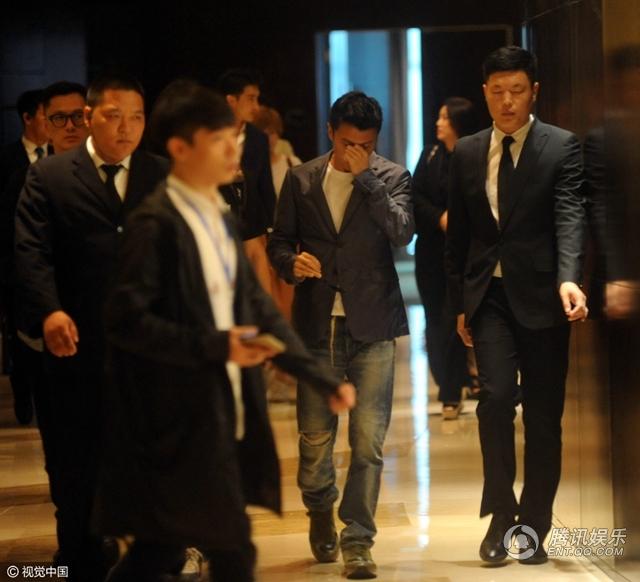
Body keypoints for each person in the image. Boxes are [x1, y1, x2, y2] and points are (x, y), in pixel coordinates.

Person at [95, 80, 355, 582]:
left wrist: (319, 377)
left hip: (217, 414)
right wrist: (217, 345)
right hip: (170, 421)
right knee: (228, 553)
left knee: (161, 554)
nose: (234, 150)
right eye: (218, 141)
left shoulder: (218, 213)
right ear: (180, 148)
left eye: (233, 138)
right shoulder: (155, 223)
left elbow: (259, 308)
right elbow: (125, 322)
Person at [14, 73, 168, 581]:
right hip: (75, 347)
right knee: (74, 461)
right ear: (89, 117)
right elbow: (31, 252)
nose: (127, 129)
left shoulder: (164, 175)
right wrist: (49, 310)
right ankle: (76, 559)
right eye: (114, 116)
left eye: (137, 118)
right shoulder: (52, 176)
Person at [445, 46, 587, 564]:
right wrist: (461, 303)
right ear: (485, 93)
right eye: (498, 91)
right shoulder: (467, 152)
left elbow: (570, 215)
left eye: (517, 91)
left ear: (534, 92)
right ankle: (501, 516)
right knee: (496, 399)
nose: (507, 101)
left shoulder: (561, 146)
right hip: (490, 298)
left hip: (545, 297)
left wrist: (569, 278)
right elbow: (458, 238)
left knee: (544, 418)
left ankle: (532, 528)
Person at [268, 90, 414, 579]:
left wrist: (366, 178)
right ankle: (318, 506)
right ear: (330, 133)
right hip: (316, 325)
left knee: (368, 441)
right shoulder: (302, 179)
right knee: (314, 440)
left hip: (373, 324)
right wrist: (291, 263)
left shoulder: (392, 176)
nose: (356, 152)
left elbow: (402, 232)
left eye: (367, 145)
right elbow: (278, 242)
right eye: (348, 143)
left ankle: (358, 539)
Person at [412, 97, 477, 420]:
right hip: (430, 251)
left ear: (457, 123)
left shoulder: (475, 155)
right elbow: (415, 197)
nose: (438, 123)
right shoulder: (430, 155)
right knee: (434, 319)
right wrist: (439, 218)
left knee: (455, 318)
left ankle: (452, 391)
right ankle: (451, 382)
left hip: (465, 252)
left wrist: (459, 219)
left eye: (444, 118)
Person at [218, 69, 277, 294]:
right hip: (220, 226)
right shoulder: (210, 134)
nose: (256, 106)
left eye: (257, 99)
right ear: (231, 100)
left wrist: (272, 230)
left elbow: (265, 187)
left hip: (252, 226)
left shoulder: (257, 138)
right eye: (251, 99)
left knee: (260, 293)